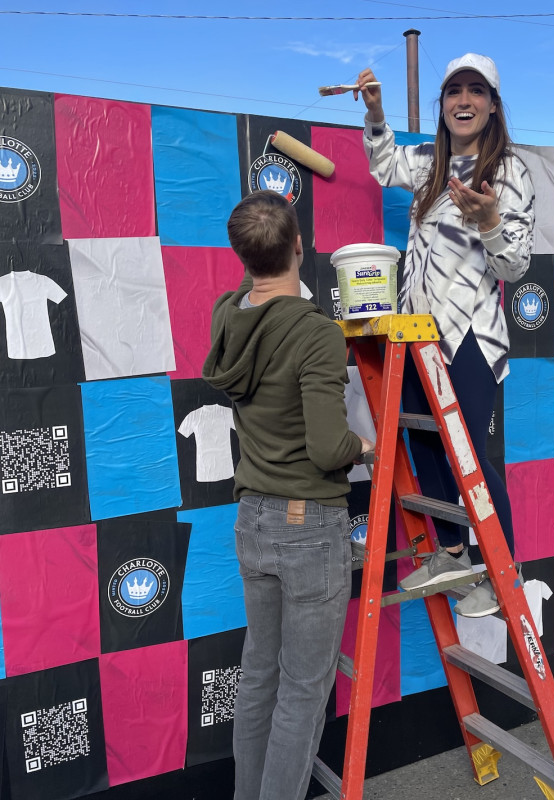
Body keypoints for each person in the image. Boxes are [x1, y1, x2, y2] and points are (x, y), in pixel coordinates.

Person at [203, 190, 374, 800]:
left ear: (242, 257)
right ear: (300, 246)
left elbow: (253, 292)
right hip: (307, 528)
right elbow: (329, 449)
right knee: (302, 693)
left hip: (253, 520)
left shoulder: (228, 315)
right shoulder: (316, 333)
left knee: (259, 680)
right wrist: (366, 446)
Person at [356, 53, 535, 617]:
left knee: (470, 456)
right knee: (426, 443)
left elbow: (515, 267)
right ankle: (452, 551)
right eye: (455, 90)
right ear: (442, 105)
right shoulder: (429, 162)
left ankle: (504, 574)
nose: (464, 100)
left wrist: (489, 221)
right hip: (417, 333)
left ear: (493, 106)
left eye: (477, 91)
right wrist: (377, 113)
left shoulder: (510, 171)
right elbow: (385, 164)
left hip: (472, 336)